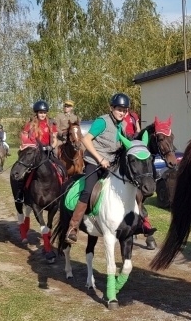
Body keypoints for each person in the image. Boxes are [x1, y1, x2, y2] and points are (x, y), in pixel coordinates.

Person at [66, 93, 155, 244]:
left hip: (111, 165)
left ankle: (140, 223)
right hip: (94, 162)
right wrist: (100, 159)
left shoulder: (124, 125)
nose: (122, 113)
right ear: (111, 108)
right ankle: (73, 227)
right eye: (119, 109)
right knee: (88, 190)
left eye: (125, 110)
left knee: (133, 188)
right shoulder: (102, 121)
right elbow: (86, 140)